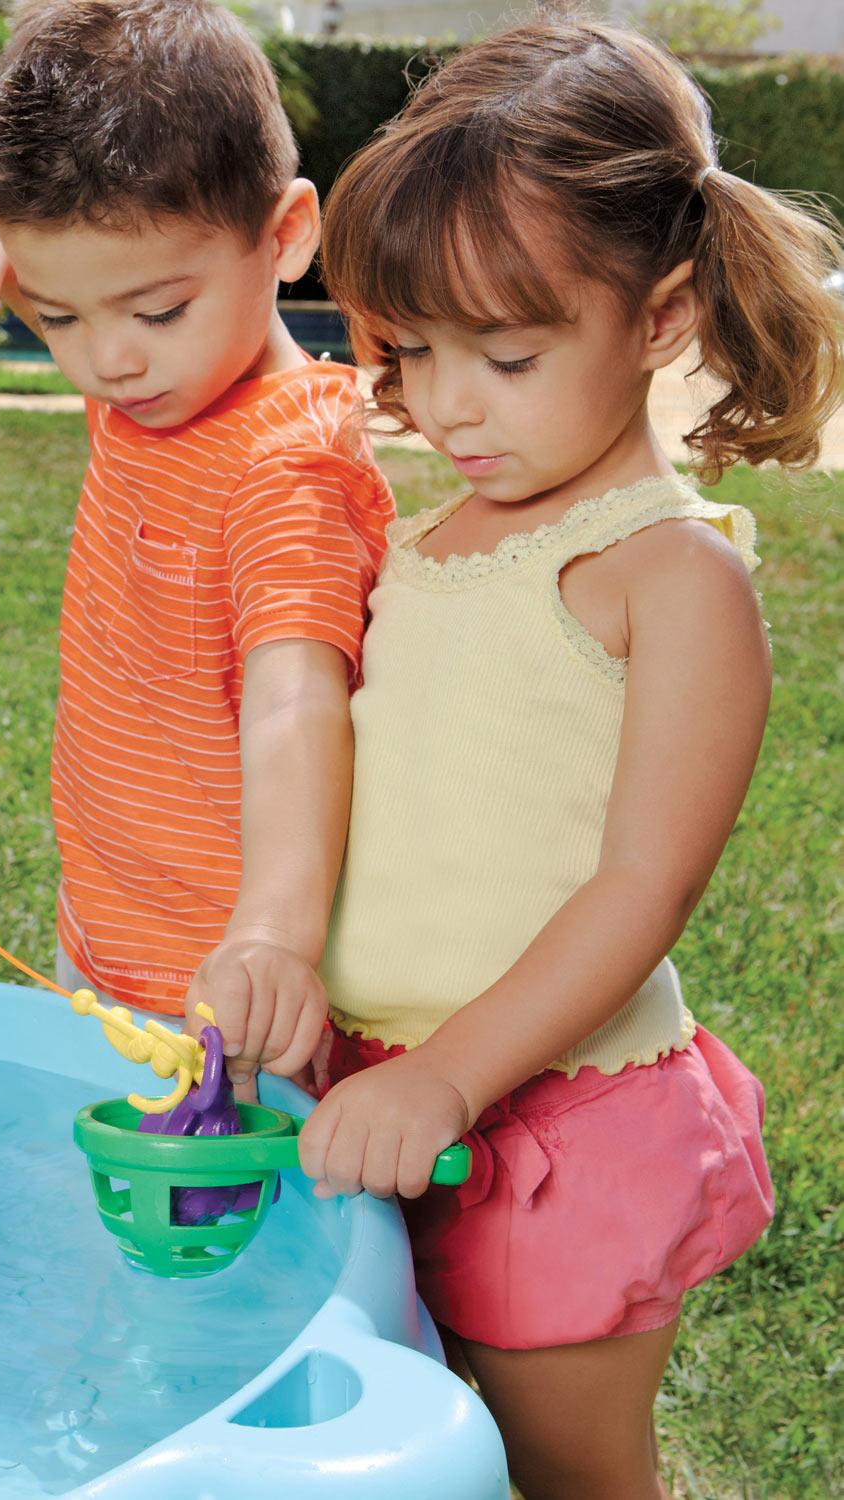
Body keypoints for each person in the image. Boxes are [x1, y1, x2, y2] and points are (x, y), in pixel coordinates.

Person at [274, 22, 838, 1499]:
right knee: (412, 1450)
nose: (450, 404)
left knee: (566, 1472)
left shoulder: (668, 579)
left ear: (655, 318)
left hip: (553, 1123)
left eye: (508, 356)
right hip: (373, 1091)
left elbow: (642, 886)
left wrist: (451, 1079)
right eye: (415, 352)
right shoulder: (418, 545)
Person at [0, 0, 393, 1087]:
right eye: (58, 317)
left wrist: (272, 938)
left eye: (154, 311)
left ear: (289, 233)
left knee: (224, 1238)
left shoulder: (289, 472)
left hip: (231, 992)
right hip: (105, 924)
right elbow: (98, 267)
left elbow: (296, 702)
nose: (106, 361)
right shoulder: (161, 376)